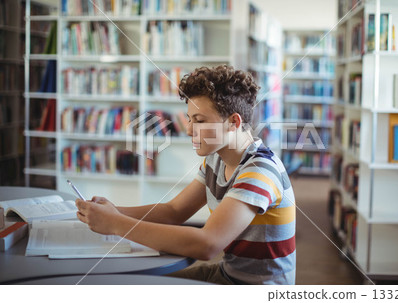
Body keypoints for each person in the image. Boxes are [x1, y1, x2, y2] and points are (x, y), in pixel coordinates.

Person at [75, 65, 296, 285]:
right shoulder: (216, 158)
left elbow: (207, 244)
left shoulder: (260, 171)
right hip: (229, 275)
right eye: (189, 119)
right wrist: (112, 211)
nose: (189, 130)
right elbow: (174, 211)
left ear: (234, 122)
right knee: (140, 285)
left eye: (199, 121)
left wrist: (115, 223)